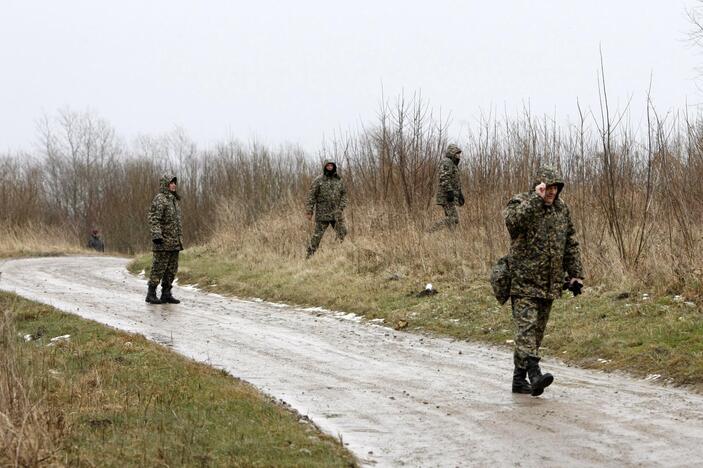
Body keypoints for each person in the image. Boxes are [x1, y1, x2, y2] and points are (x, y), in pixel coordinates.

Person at [503, 165, 584, 396]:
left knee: (535, 333)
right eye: (548, 187)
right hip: (523, 282)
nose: (552, 192)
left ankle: (519, 381)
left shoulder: (561, 210)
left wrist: (575, 274)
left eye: (556, 187)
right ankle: (534, 374)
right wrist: (535, 201)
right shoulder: (521, 203)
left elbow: (570, 242)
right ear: (539, 186)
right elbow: (513, 224)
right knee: (526, 329)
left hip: (549, 283)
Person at [146, 174, 183, 304]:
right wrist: (157, 235)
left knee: (171, 269)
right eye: (171, 183)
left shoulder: (173, 200)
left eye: (175, 183)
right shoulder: (160, 199)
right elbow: (153, 218)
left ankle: (166, 294)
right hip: (162, 242)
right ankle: (151, 294)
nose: (174, 185)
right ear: (165, 184)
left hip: (174, 242)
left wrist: (179, 239)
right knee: (158, 268)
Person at [305, 159, 348, 257]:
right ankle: (309, 255)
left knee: (343, 232)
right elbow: (311, 196)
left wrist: (341, 207)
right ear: (325, 167)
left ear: (334, 167)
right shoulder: (318, 180)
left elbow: (344, 194)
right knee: (317, 236)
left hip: (336, 213)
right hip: (322, 214)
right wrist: (309, 211)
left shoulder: (339, 180)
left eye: (331, 166)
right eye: (328, 166)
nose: (330, 167)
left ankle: (339, 252)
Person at [429, 144, 464, 232]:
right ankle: (432, 231)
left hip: (451, 196)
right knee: (453, 218)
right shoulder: (447, 162)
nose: (458, 156)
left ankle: (451, 238)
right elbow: (444, 177)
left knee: (452, 219)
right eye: (456, 154)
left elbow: (455, 182)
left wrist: (460, 194)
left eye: (459, 154)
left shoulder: (453, 164)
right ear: (451, 153)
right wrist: (449, 191)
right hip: (446, 196)